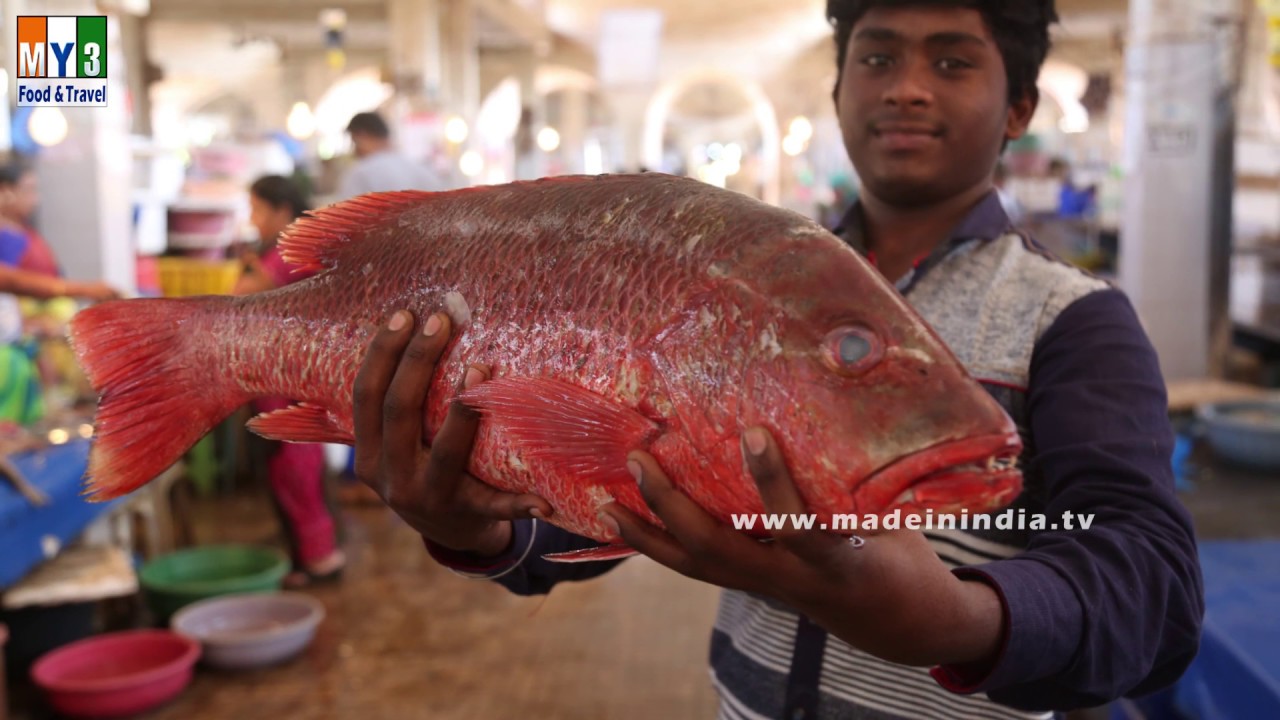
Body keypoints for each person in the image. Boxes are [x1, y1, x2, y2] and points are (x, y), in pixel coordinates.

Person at [349, 2, 1204, 718]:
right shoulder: (733, 295)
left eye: (952, 63)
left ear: (1018, 108)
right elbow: (614, 490)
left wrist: (958, 619)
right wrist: (483, 529)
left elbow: (1154, 586)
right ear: (838, 91)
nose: (906, 87)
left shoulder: (1074, 320)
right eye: (877, 56)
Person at [235, 175, 346, 587]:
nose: (253, 218)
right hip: (290, 375)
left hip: (289, 377)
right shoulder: (300, 245)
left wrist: (248, 267)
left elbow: (241, 295)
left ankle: (319, 557)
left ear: (282, 210)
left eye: (258, 209)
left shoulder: (291, 250)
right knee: (296, 465)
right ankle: (309, 556)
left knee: (295, 466)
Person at [338, 111, 447, 200]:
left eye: (354, 141)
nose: (354, 149)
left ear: (362, 136)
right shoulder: (420, 168)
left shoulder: (360, 173)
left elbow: (343, 218)